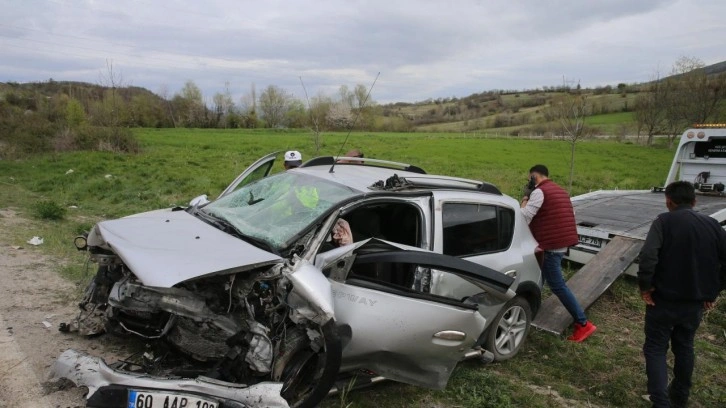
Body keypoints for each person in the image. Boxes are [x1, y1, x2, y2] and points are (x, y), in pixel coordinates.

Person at [638, 181, 726, 408]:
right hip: (694, 303)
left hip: (663, 300)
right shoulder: (713, 225)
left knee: (656, 348)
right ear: (694, 201)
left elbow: (648, 256)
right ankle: (679, 397)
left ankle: (661, 402)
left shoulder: (663, 221)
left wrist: (645, 287)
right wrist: (713, 291)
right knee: (685, 346)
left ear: (668, 201)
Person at [520, 164, 597, 342]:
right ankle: (532, 310)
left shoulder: (540, 192)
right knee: (540, 277)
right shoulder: (560, 191)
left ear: (533, 177)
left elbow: (523, 216)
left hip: (551, 246)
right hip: (560, 244)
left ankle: (583, 324)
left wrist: (525, 197)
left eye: (529, 178)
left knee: (558, 286)